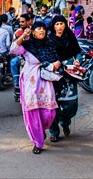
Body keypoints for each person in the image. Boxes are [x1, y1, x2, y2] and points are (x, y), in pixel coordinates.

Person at [10, 21, 58, 154]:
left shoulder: (50, 45)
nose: (41, 31)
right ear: (33, 32)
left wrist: (56, 64)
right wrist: (23, 36)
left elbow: (57, 59)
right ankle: (37, 141)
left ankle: (41, 129)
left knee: (49, 112)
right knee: (32, 111)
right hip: (31, 81)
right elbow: (13, 49)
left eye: (43, 28)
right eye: (38, 29)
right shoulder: (27, 45)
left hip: (45, 80)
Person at [48, 15, 82, 142]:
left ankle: (65, 122)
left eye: (61, 24)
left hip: (69, 74)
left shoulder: (70, 36)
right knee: (52, 105)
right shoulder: (48, 38)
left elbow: (77, 52)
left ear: (65, 25)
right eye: (57, 24)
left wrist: (78, 60)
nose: (59, 27)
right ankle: (54, 132)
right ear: (53, 26)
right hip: (54, 74)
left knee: (71, 104)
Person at [11, 13, 30, 100]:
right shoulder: (17, 32)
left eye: (23, 22)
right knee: (13, 62)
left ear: (28, 22)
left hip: (30, 57)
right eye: (20, 22)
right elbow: (13, 45)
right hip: (20, 56)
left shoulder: (33, 31)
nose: (21, 23)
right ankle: (16, 84)